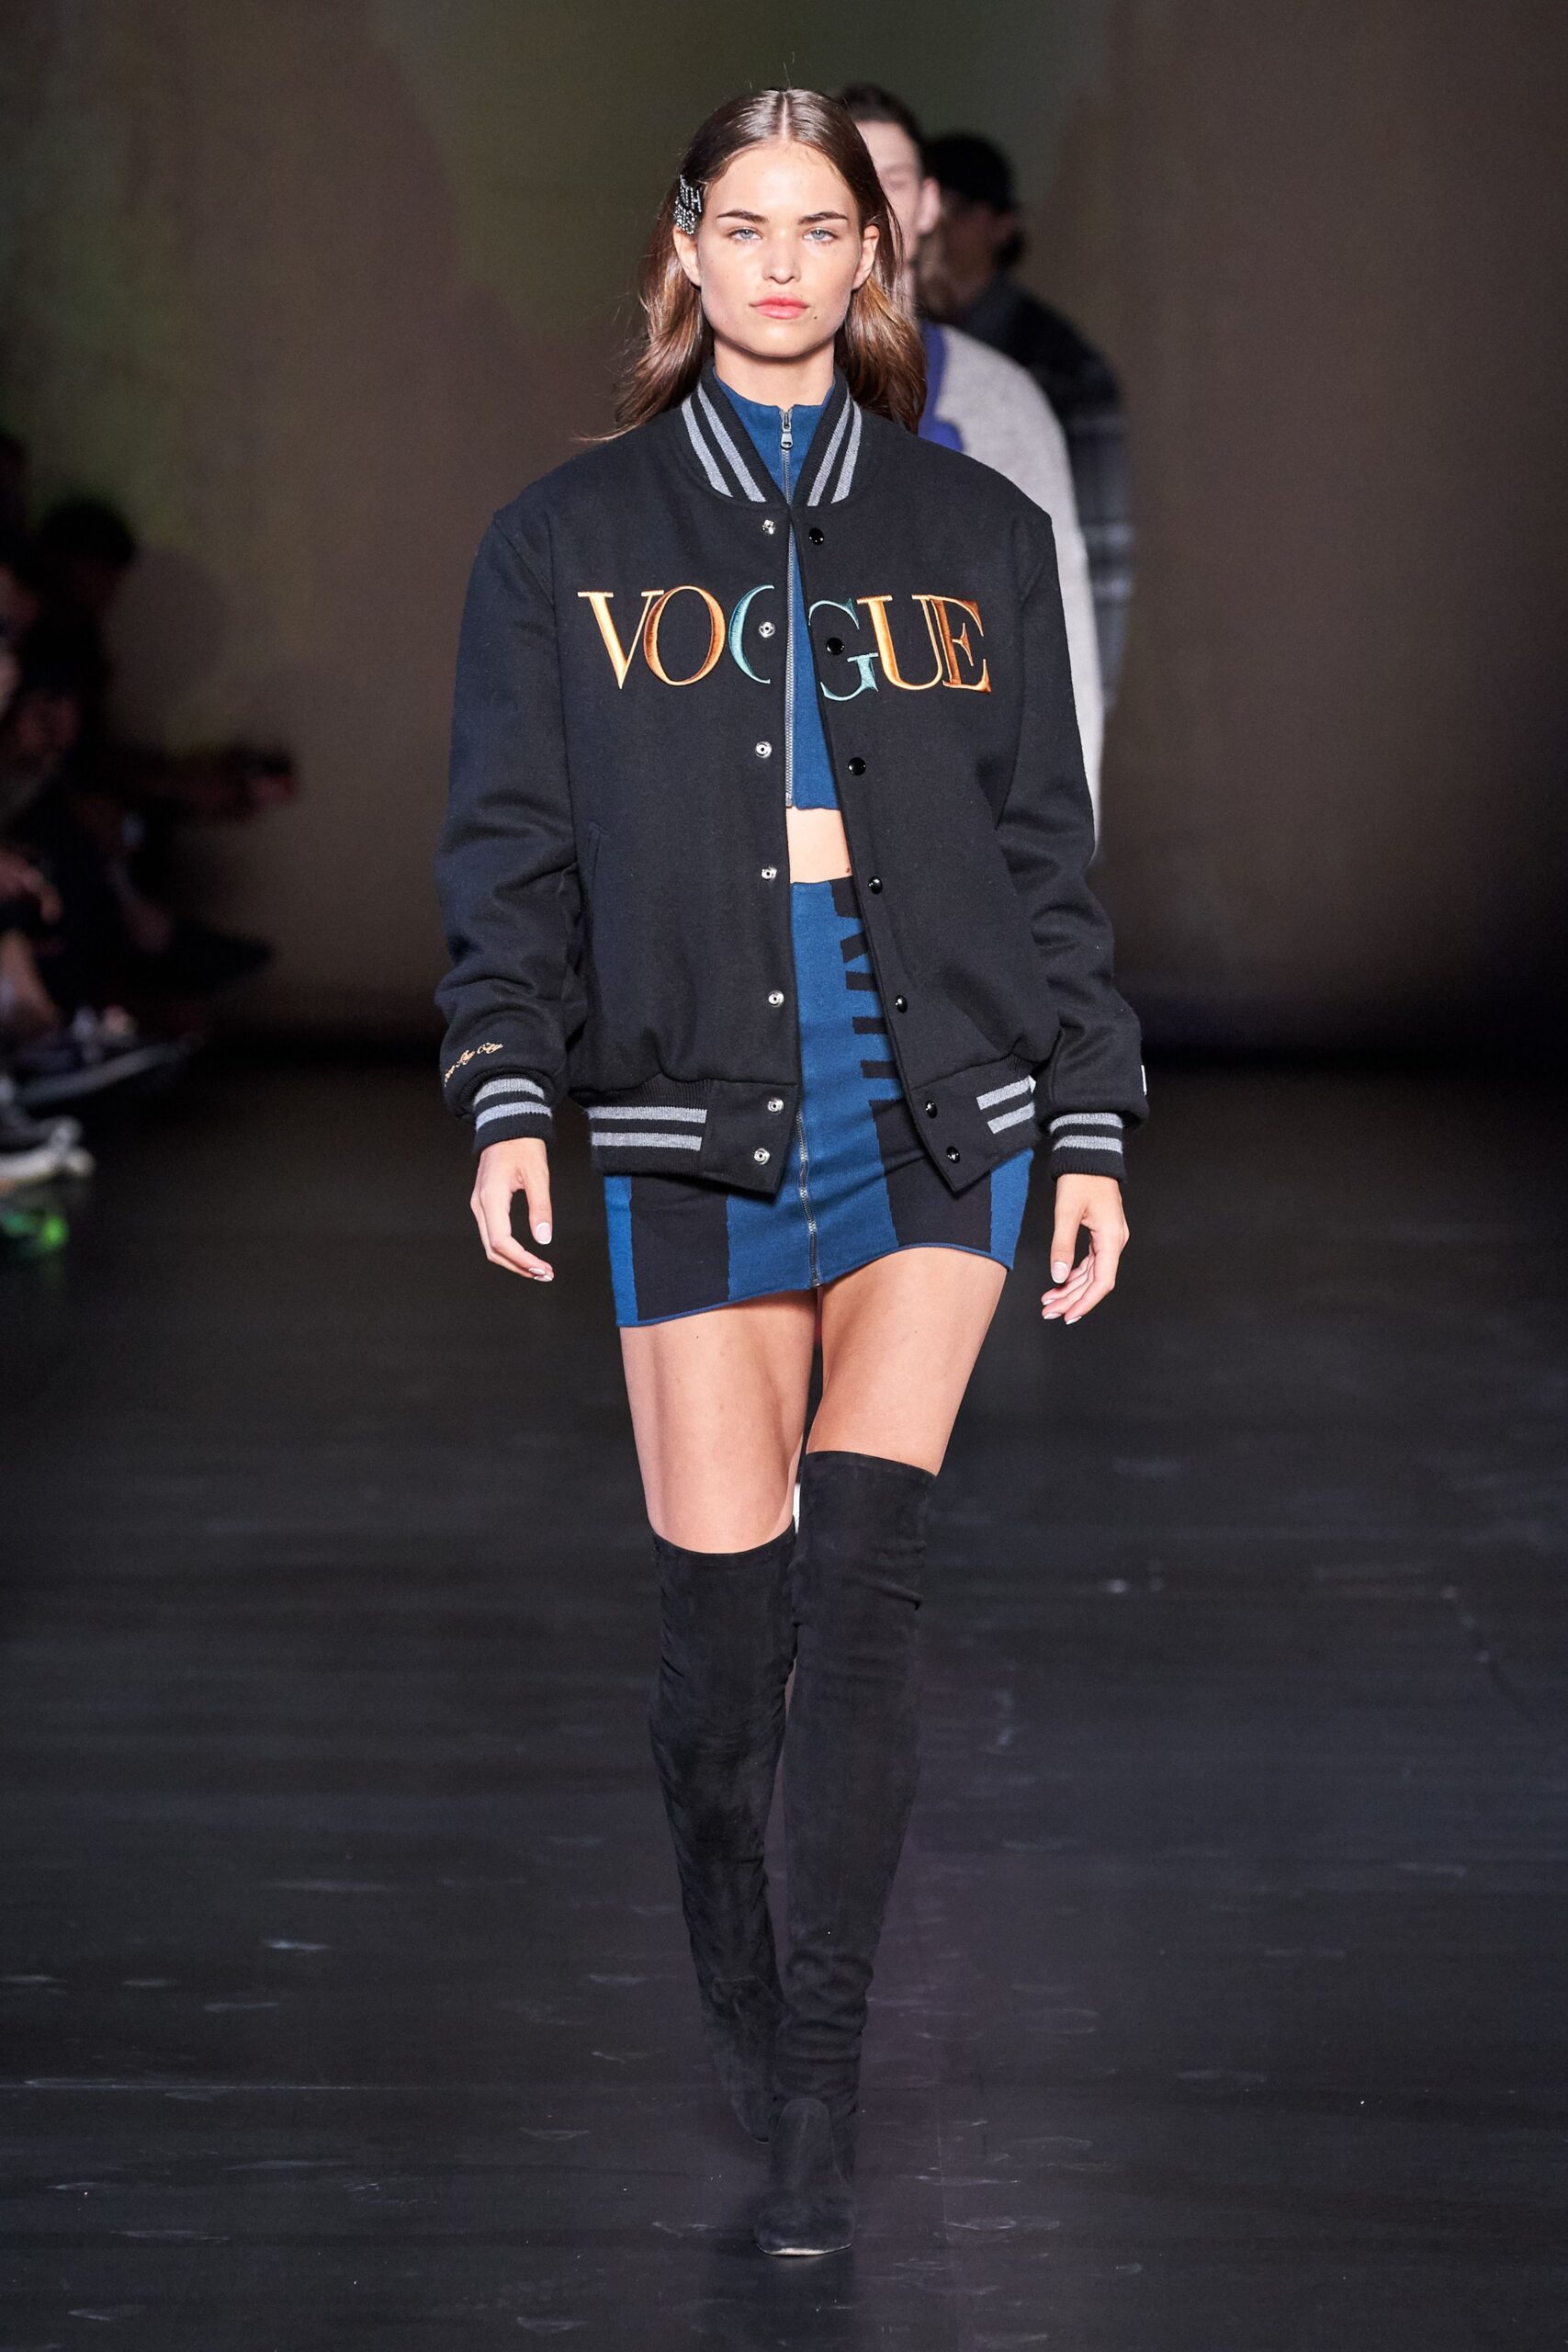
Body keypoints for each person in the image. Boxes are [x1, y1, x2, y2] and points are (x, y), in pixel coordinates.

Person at [433, 87, 1146, 2257]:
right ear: (685, 248)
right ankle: (749, 2009)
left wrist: (1087, 1117)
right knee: (718, 1651)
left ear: (868, 256)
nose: (774, 263)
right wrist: (505, 1088)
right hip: (693, 1100)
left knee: (867, 1586)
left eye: (813, 226)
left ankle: (820, 2079)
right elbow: (508, 845)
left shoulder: (972, 533)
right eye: (737, 225)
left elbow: (1042, 853)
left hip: (942, 1097)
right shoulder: (562, 539)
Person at [837, 83, 1105, 829]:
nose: (869, 209)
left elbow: (1058, 634)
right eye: (841, 180)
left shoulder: (1001, 400)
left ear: (928, 204)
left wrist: (1060, 842)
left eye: (890, 181)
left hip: (959, 817)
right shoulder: (745, 397)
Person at [920, 131, 1135, 710]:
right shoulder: (882, 348)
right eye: (927, 201)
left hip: (1008, 672)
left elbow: (1099, 553)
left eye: (956, 208)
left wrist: (1084, 705)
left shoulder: (1061, 368)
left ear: (1002, 225)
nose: (936, 223)